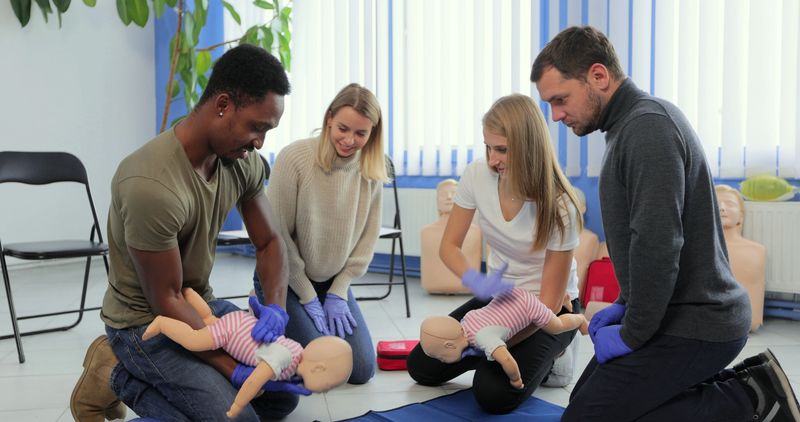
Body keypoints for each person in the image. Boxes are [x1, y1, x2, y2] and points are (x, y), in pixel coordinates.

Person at [532, 25, 799, 421]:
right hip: (675, 314)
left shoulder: (647, 128)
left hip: (699, 323)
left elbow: (658, 245)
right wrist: (625, 305)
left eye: (560, 99)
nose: (555, 116)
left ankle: (750, 398)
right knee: (584, 401)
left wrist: (632, 332)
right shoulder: (629, 127)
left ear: (598, 76)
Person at [70, 44, 297, 422]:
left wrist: (274, 309)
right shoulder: (151, 184)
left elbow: (270, 242)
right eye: (256, 127)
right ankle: (116, 374)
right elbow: (167, 299)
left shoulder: (241, 162)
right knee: (237, 417)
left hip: (198, 306)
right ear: (223, 104)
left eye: (267, 131)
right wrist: (231, 367)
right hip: (144, 323)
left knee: (278, 396)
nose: (260, 143)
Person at [406, 93, 584, 414]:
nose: (492, 160)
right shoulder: (478, 175)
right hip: (498, 302)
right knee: (423, 365)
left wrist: (487, 345)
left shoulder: (560, 207)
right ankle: (509, 359)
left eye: (501, 149)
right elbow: (449, 247)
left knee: (492, 395)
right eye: (487, 146)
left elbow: (547, 303)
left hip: (548, 311)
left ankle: (559, 358)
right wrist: (476, 281)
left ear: (529, 147)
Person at [252, 83, 388, 385]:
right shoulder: (295, 158)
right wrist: (307, 294)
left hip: (332, 284)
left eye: (361, 134)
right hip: (284, 277)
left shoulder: (372, 171)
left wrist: (339, 291)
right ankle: (260, 305)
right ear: (329, 118)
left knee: (361, 370)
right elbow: (277, 236)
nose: (350, 140)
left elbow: (367, 241)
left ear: (372, 134)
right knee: (320, 366)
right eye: (343, 128)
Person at [141, 288, 353, 419]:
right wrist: (237, 405)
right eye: (327, 386)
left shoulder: (296, 353)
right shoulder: (285, 358)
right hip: (232, 333)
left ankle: (189, 294)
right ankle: (163, 324)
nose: (324, 391)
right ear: (319, 368)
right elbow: (253, 381)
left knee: (209, 319)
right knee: (195, 340)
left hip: (241, 323)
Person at [419, 287, 587, 389]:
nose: (441, 361)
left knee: (555, 326)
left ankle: (578, 319)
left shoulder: (483, 338)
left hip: (529, 306)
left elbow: (507, 360)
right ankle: (563, 298)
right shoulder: (467, 320)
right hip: (512, 296)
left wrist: (515, 379)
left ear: (449, 345)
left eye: (441, 357)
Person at [716, 184, 766, 332]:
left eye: (729, 204)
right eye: (717, 203)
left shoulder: (757, 251)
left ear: (741, 216)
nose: (722, 208)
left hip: (745, 323)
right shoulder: (697, 249)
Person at [420, 179, 480, 294]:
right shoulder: (426, 232)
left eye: (454, 194)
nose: (448, 197)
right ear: (436, 200)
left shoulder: (475, 231)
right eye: (443, 194)